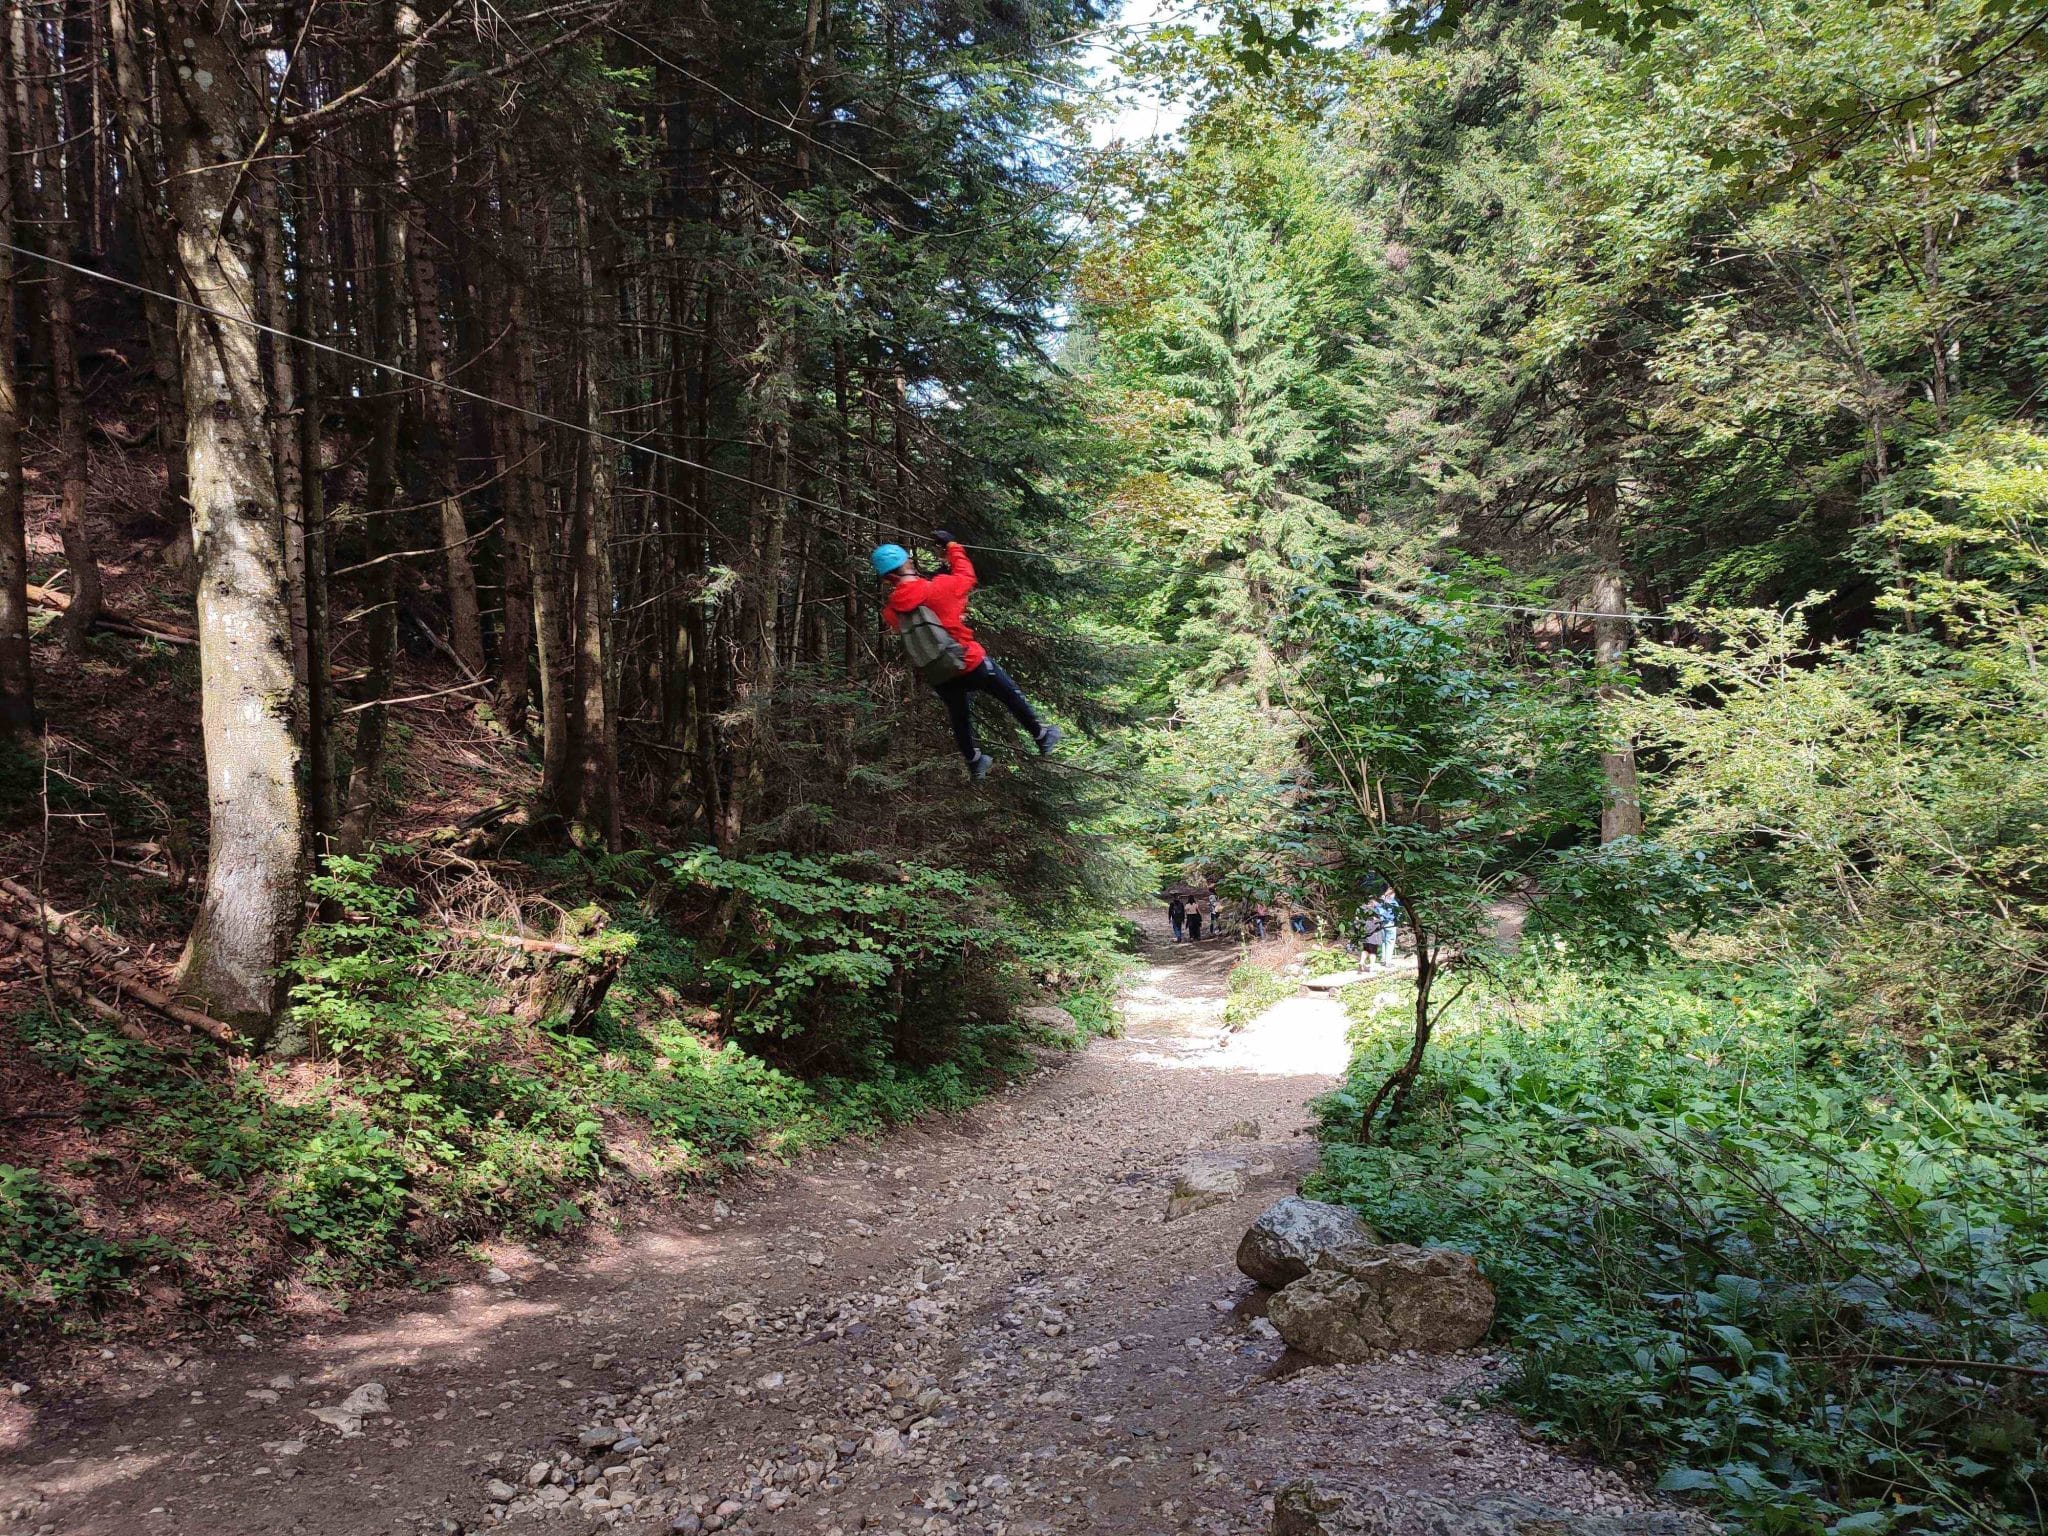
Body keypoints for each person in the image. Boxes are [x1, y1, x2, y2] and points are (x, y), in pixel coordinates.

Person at [873, 534, 1061, 779]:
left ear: (888, 578)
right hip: (967, 659)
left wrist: (937, 583)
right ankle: (1040, 735)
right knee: (1009, 693)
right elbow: (966, 576)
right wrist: (953, 546)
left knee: (959, 715)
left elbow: (916, 605)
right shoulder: (939, 587)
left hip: (939, 670)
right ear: (908, 563)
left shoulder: (891, 610)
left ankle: (974, 760)